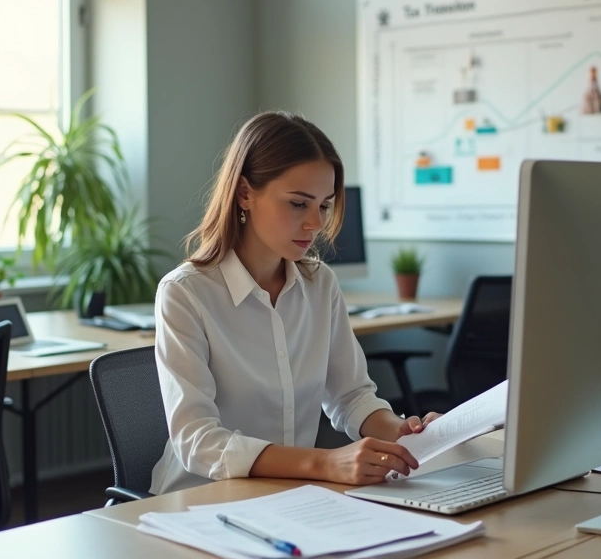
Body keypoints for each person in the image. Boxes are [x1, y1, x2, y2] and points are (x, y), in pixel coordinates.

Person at [150, 111, 440, 494]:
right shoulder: (185, 293)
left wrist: (404, 432)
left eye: (324, 205)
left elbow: (351, 396)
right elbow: (197, 440)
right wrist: (326, 462)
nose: (316, 223)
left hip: (293, 494)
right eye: (298, 204)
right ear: (244, 193)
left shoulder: (320, 284)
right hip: (199, 497)